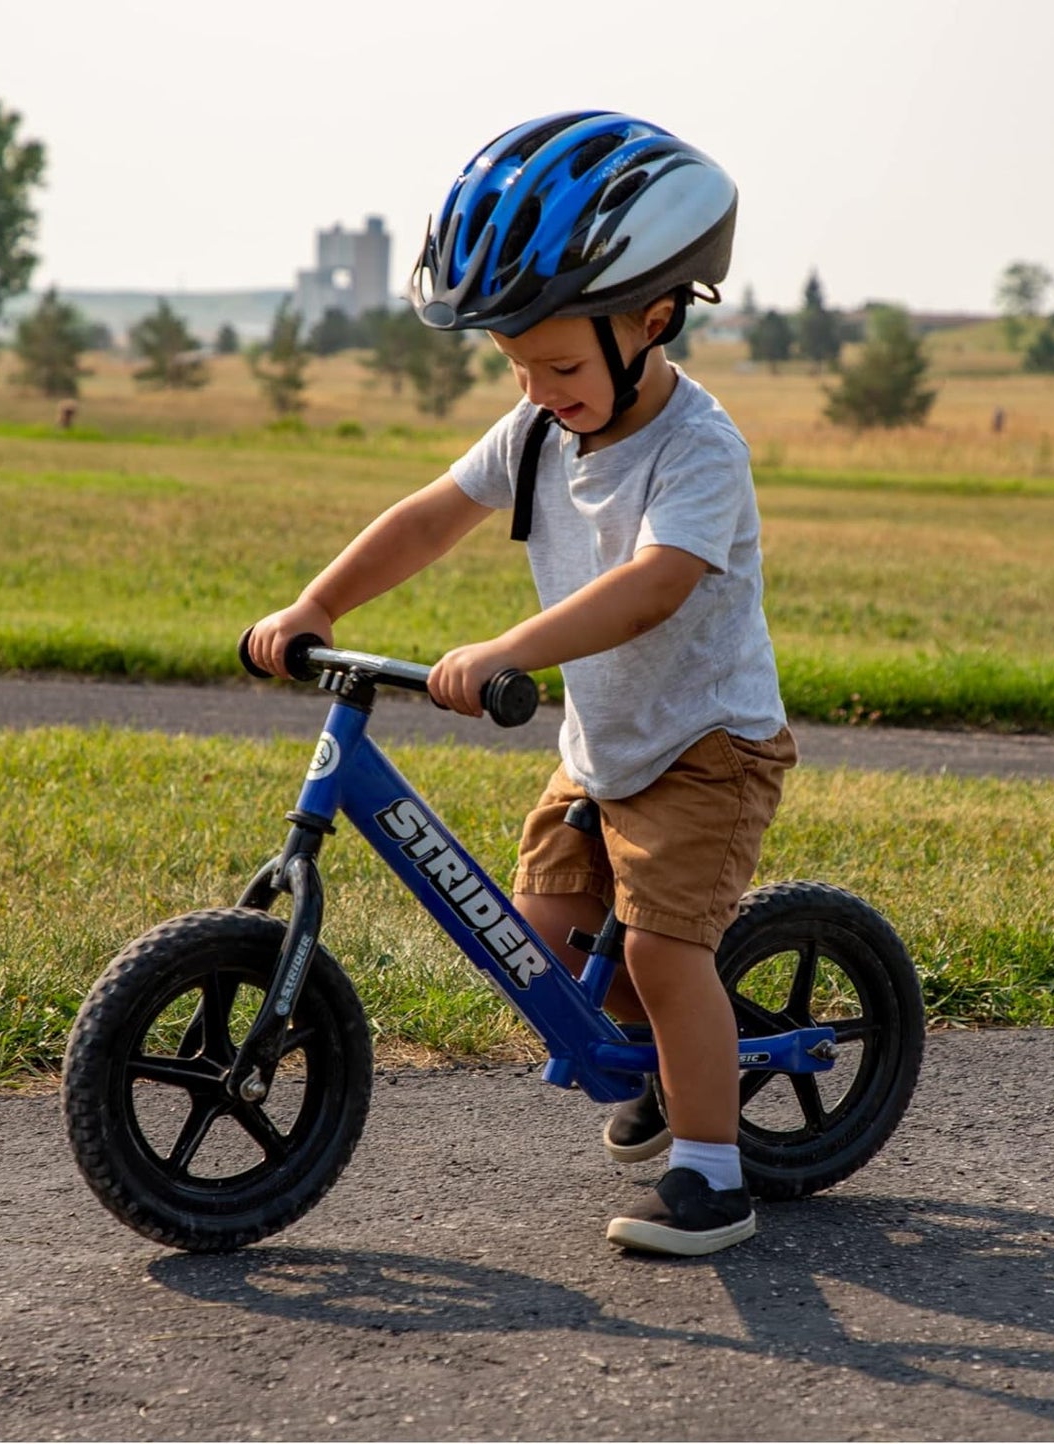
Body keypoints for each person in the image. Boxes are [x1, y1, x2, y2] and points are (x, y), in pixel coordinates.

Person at [247, 111, 796, 1257]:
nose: (539, 388)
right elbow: (430, 515)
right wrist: (318, 605)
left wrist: (508, 649)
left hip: (705, 745)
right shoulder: (540, 431)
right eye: (516, 366)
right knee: (539, 941)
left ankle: (710, 1169)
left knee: (656, 946)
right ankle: (662, 1060)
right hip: (605, 743)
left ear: (650, 323)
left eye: (556, 362)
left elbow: (651, 588)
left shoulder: (698, 450)